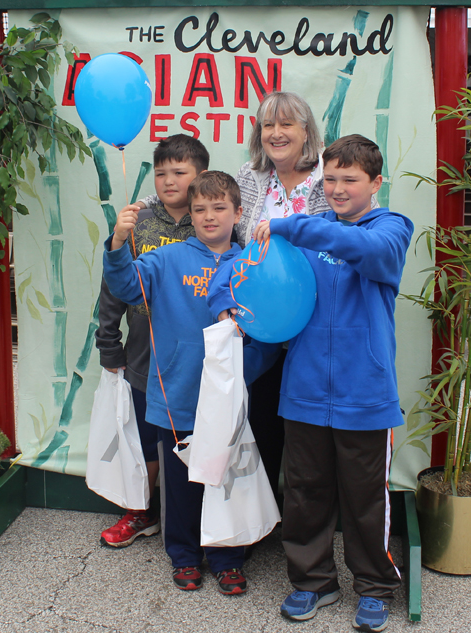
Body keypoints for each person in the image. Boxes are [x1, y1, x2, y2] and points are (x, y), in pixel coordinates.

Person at [207, 135, 414, 631]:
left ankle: (375, 586)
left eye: (351, 180)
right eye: (332, 180)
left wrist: (290, 225)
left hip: (365, 393)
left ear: (375, 183)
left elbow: (358, 246)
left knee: (366, 499)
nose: (339, 189)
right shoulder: (307, 230)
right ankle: (312, 582)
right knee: (304, 491)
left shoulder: (391, 229)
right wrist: (227, 307)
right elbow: (233, 272)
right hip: (301, 392)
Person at [103, 170, 272, 595]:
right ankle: (183, 555)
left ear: (238, 212)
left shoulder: (253, 263)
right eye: (200, 209)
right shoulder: (168, 258)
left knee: (225, 479)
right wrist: (119, 244)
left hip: (229, 398)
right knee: (180, 487)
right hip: (175, 394)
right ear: (191, 216)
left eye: (219, 208)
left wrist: (238, 376)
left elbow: (268, 331)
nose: (209, 216)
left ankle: (227, 558)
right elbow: (125, 285)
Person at [95, 134, 209, 547]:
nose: (168, 180)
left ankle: (198, 523)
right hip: (142, 354)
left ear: (201, 175)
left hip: (193, 361)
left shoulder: (210, 223)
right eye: (161, 173)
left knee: (189, 443)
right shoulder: (138, 222)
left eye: (180, 172)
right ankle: (139, 511)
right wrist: (109, 342)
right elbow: (113, 286)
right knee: (143, 440)